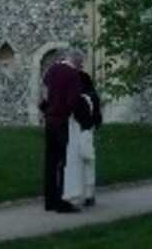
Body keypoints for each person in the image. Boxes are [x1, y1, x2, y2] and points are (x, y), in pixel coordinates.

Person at [40, 47, 83, 213]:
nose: (81, 67)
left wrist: (47, 110)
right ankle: (62, 202)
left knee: (50, 162)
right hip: (63, 121)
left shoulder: (52, 70)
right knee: (65, 163)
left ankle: (49, 201)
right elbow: (73, 101)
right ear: (76, 61)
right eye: (81, 64)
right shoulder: (73, 75)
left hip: (50, 120)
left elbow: (43, 94)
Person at [63, 64, 102, 208]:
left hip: (78, 132)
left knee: (77, 163)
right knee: (89, 162)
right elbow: (96, 118)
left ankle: (76, 195)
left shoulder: (81, 98)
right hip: (87, 132)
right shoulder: (93, 97)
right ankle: (89, 194)